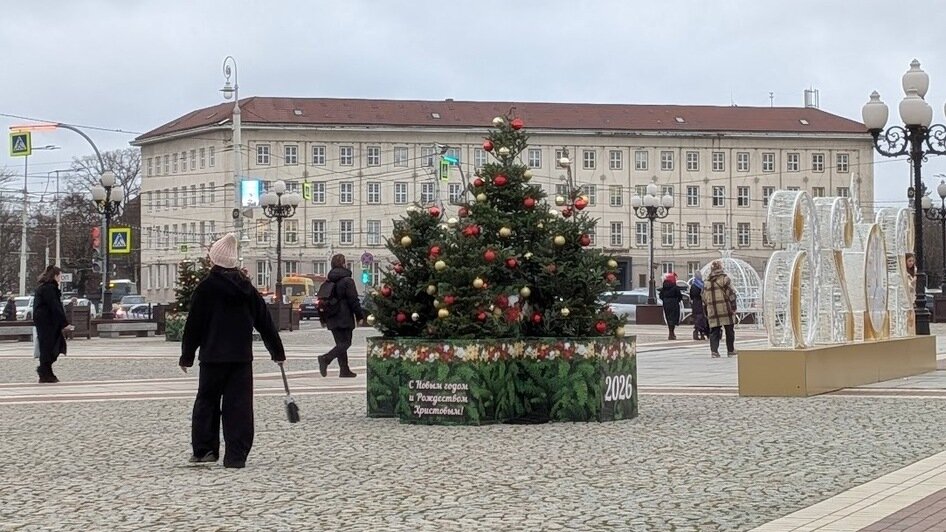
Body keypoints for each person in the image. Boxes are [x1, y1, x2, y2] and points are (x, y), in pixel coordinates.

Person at [180, 233, 286, 469]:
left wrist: (187, 355)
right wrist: (276, 351)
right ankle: (236, 456)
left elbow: (194, 325)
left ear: (214, 259)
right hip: (240, 358)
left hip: (212, 356)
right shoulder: (247, 289)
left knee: (207, 402)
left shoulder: (206, 288)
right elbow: (265, 321)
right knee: (239, 406)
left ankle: (205, 450)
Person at [318, 254, 366, 378]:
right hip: (344, 316)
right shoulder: (347, 280)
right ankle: (325, 359)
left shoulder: (329, 280)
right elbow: (353, 300)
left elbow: (322, 300)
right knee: (346, 343)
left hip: (331, 315)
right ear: (344, 264)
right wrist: (360, 316)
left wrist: (322, 318)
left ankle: (344, 370)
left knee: (340, 343)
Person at [32, 266, 73, 383]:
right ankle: (44, 371)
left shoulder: (43, 288)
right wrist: (64, 323)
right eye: (59, 276)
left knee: (49, 346)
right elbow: (55, 306)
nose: (60, 278)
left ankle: (45, 371)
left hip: (45, 321)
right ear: (55, 276)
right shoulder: (50, 289)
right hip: (48, 322)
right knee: (50, 347)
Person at [703, 260, 738, 358]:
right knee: (729, 330)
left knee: (714, 331)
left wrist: (707, 308)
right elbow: (731, 294)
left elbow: (704, 298)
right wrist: (734, 307)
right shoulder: (725, 279)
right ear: (720, 268)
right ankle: (730, 350)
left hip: (713, 310)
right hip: (725, 309)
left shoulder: (706, 282)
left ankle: (714, 351)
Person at [658, 272, 683, 340]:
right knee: (674, 318)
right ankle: (672, 333)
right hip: (674, 304)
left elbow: (660, 296)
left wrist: (665, 300)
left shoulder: (664, 287)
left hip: (666, 304)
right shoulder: (675, 287)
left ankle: (670, 332)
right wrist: (677, 300)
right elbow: (680, 296)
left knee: (668, 318)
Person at [689, 271, 709, 340]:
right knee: (702, 318)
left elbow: (691, 295)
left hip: (695, 303)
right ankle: (701, 333)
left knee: (697, 318)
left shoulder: (693, 284)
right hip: (701, 303)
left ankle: (697, 332)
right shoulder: (702, 285)